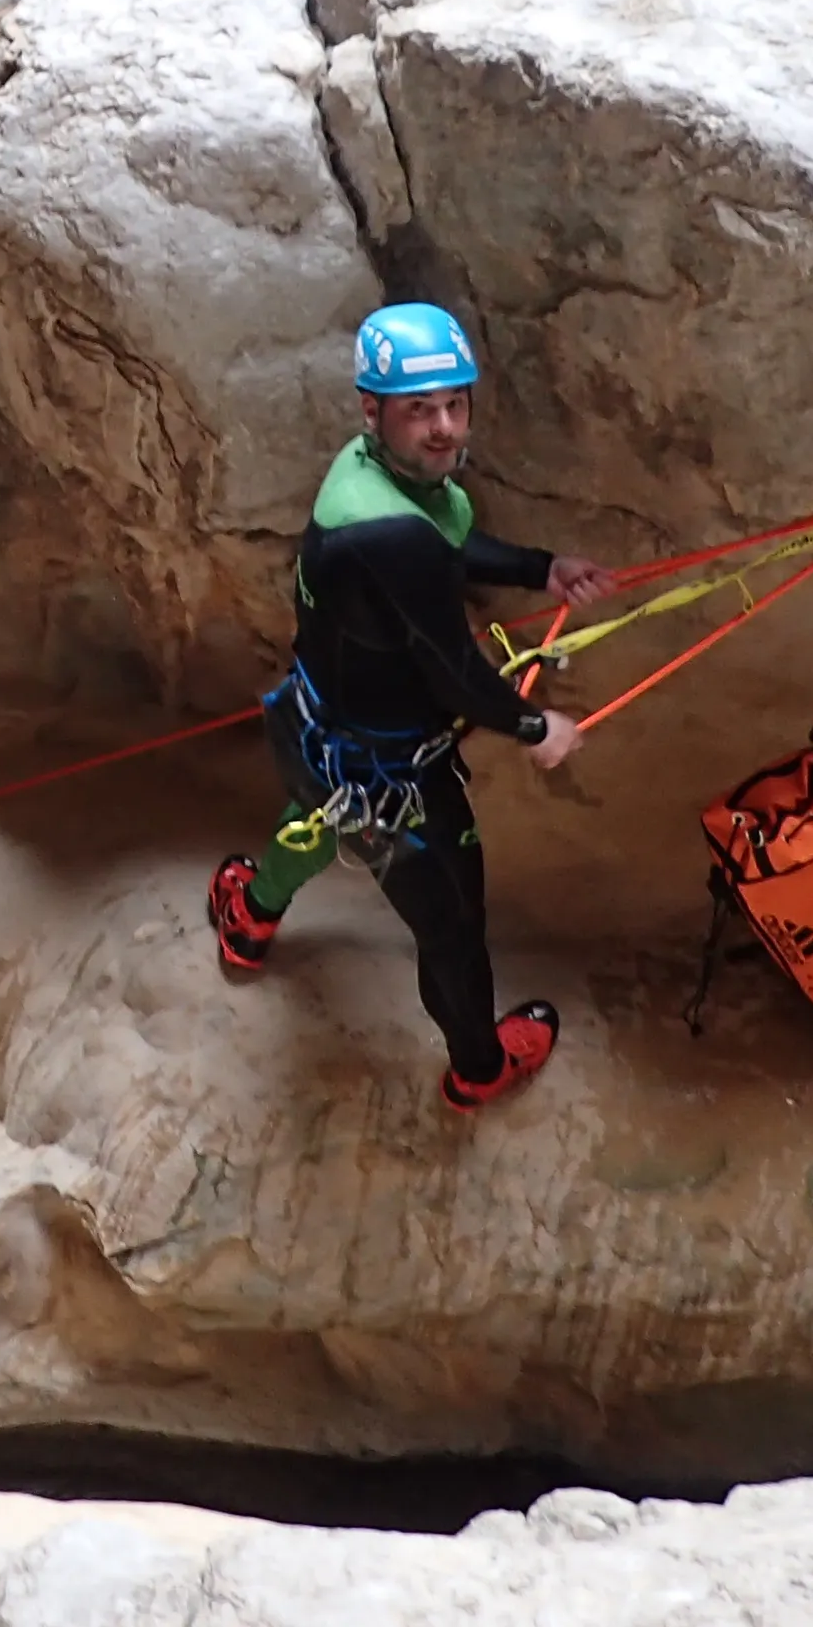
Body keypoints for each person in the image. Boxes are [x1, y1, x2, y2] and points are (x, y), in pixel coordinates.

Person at [206, 303, 612, 1110]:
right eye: (420, 410)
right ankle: (478, 1069)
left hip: (317, 733)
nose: (444, 428)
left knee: (310, 821)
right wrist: (538, 728)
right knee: (453, 928)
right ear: (372, 410)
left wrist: (544, 569)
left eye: (455, 404)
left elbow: (452, 546)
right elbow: (457, 672)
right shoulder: (390, 536)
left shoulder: (366, 476)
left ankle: (250, 916)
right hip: (397, 780)